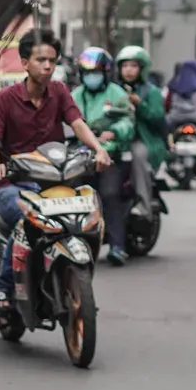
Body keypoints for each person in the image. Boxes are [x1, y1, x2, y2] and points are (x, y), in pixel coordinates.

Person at [0, 29, 112, 310]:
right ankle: (2, 287)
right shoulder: (4, 99)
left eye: (52, 60)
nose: (47, 66)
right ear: (25, 63)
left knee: (86, 211)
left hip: (54, 182)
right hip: (12, 185)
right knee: (26, 219)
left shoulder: (60, 92)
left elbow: (76, 123)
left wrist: (98, 149)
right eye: (40, 60)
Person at [71, 47, 135, 266]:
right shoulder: (75, 95)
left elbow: (127, 122)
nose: (92, 76)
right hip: (79, 156)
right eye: (87, 72)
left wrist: (114, 132)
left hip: (109, 155)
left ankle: (118, 246)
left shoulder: (116, 94)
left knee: (109, 194)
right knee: (73, 195)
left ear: (106, 73)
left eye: (96, 72)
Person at [115, 45, 167, 221]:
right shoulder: (114, 89)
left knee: (137, 155)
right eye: (125, 66)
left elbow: (158, 117)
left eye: (133, 66)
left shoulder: (151, 92)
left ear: (142, 69)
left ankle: (144, 206)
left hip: (143, 139)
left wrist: (140, 105)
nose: (128, 70)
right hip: (117, 138)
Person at [165, 59, 196, 161]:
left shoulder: (173, 86)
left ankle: (164, 151)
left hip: (175, 118)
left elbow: (167, 104)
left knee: (164, 130)